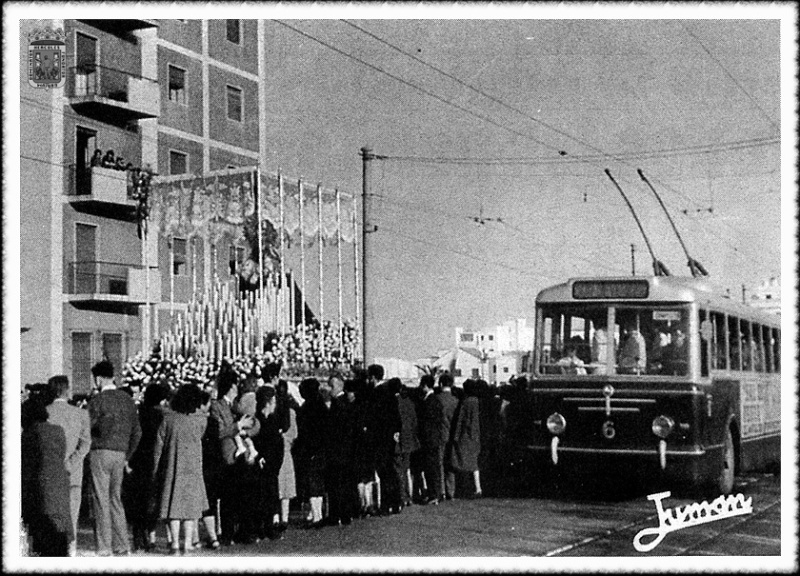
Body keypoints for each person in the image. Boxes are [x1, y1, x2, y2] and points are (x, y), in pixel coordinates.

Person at [87, 360, 141, 556]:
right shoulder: (127, 400)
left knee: (100, 499)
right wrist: (128, 454)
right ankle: (122, 544)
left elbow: (87, 427)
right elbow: (137, 431)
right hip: (121, 454)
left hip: (100, 451)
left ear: (99, 379)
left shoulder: (97, 401)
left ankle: (104, 546)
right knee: (115, 499)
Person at [152, 384, 208, 555]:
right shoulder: (200, 420)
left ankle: (175, 544)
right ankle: (187, 544)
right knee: (190, 510)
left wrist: (155, 469)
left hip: (172, 466)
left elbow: (158, 447)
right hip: (193, 467)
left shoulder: (168, 420)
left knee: (172, 507)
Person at [207, 366, 254, 546]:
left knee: (243, 495)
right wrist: (237, 425)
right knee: (228, 497)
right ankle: (228, 532)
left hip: (241, 451)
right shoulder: (218, 405)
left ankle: (243, 530)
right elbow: (218, 431)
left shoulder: (236, 405)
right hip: (228, 454)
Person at [22, 392, 73, 557]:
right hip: (59, 477)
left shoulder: (30, 434)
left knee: (43, 525)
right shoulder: (58, 430)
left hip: (40, 480)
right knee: (61, 520)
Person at [45, 375, 91, 557]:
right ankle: (71, 549)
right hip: (73, 472)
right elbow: (86, 444)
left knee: (51, 513)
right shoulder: (81, 414)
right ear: (67, 390)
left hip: (49, 471)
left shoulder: (44, 412)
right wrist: (71, 462)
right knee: (72, 513)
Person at [125, 383, 170, 552]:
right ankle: (148, 535)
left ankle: (138, 535)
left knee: (137, 499)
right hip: (154, 461)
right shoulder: (162, 416)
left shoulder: (139, 413)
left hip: (138, 459)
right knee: (151, 500)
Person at [251, 386, 284, 540]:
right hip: (264, 464)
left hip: (271, 465)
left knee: (269, 497)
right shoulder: (260, 421)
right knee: (263, 497)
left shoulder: (269, 419)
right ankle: (262, 527)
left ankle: (267, 527)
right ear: (269, 402)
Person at [417, 374, 447, 506]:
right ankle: (437, 493)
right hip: (436, 438)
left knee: (430, 468)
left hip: (428, 439)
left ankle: (433, 494)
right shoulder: (436, 400)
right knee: (435, 467)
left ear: (425, 386)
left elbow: (425, 423)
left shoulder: (428, 402)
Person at [449, 379, 482, 498]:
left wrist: (456, 437)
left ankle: (465, 488)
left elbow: (461, 421)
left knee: (461, 461)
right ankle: (478, 487)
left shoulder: (466, 402)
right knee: (474, 463)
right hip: (476, 436)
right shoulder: (477, 401)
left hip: (466, 436)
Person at [437, 372, 459, 500]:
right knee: (451, 463)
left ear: (440, 384)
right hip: (453, 435)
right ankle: (451, 490)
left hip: (440, 435)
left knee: (440, 463)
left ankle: (442, 491)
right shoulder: (456, 401)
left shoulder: (437, 399)